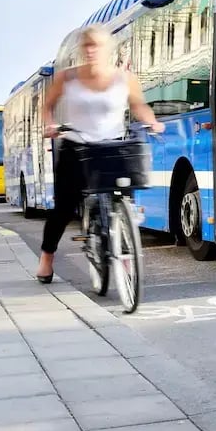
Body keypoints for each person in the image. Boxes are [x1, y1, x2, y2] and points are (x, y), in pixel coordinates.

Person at [36, 27, 163, 283]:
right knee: (63, 207)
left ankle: (124, 251)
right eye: (87, 46)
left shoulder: (125, 78)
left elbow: (138, 105)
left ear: (108, 49)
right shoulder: (66, 78)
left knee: (124, 197)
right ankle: (47, 257)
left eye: (97, 45)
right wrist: (49, 125)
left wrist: (152, 122)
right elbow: (47, 105)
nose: (91, 50)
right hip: (76, 147)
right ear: (82, 49)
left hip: (112, 147)